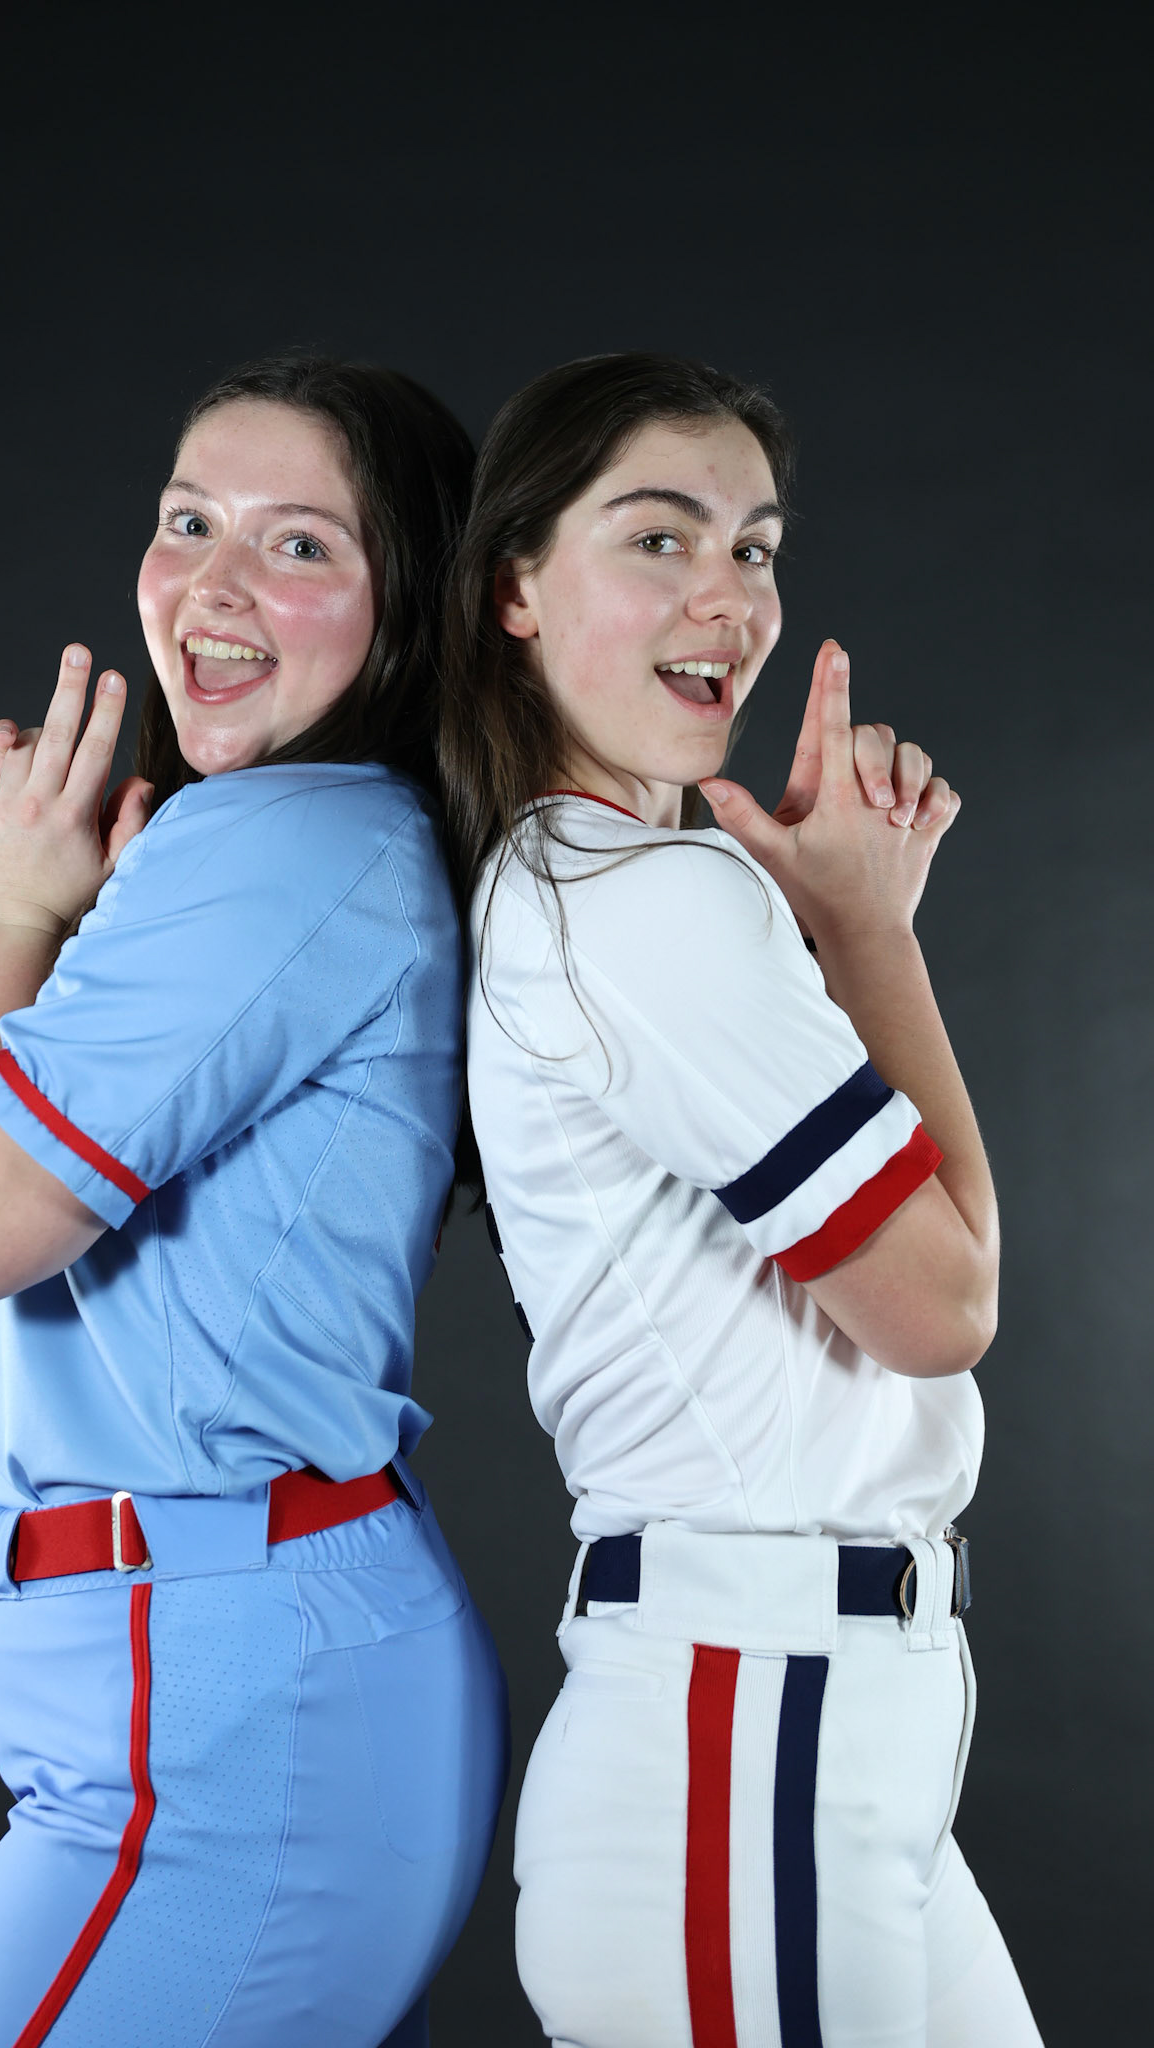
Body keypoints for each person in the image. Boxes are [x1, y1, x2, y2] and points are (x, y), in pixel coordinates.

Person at [0, 354, 507, 2048]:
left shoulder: (289, 843)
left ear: (403, 616)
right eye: (187, 522)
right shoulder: (276, 835)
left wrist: (6, 912)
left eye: (300, 544)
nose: (215, 584)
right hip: (226, 1686)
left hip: (231, 1726)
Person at [438, 351, 1042, 2047]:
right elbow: (944, 1307)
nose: (726, 596)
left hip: (818, 1721)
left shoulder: (587, 880)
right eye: (658, 537)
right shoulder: (643, 897)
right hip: (746, 1727)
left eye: (756, 548)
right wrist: (865, 926)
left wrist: (843, 926)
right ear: (514, 590)